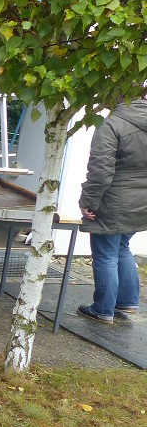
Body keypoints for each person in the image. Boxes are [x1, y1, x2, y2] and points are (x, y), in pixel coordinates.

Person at [76, 87, 147, 324]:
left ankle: (103, 310)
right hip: (141, 201)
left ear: (117, 95)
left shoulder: (112, 124)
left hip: (114, 200)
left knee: (106, 254)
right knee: (122, 247)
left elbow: (101, 170)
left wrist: (88, 201)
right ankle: (127, 301)